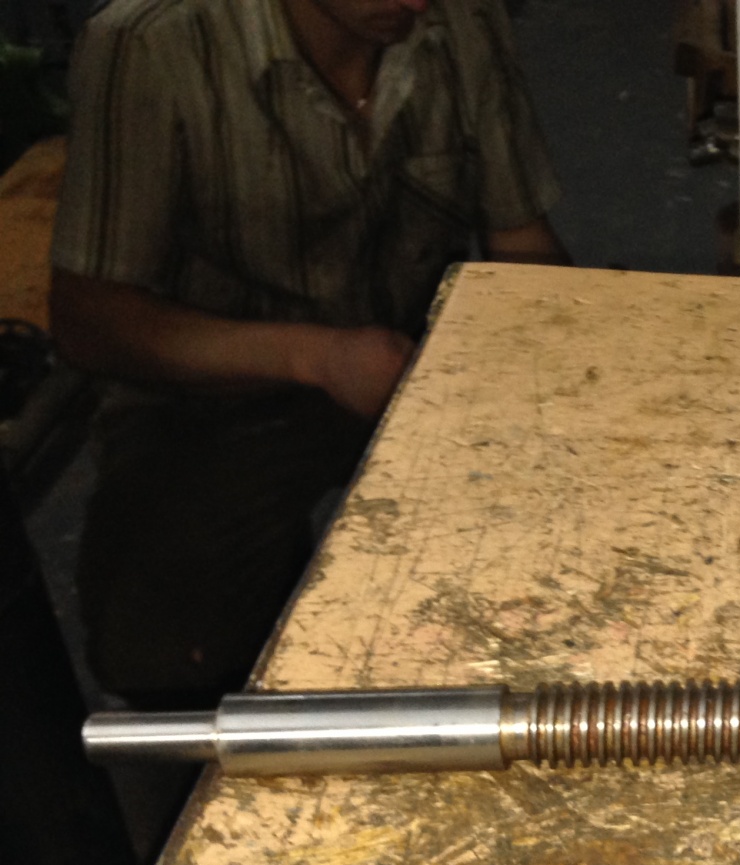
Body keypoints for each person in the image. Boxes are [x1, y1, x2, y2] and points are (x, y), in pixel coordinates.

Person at [51, 0, 567, 708]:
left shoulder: (460, 18)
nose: (419, 4)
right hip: (213, 395)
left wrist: (550, 373)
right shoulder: (152, 43)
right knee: (170, 654)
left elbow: (524, 246)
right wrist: (315, 357)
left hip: (424, 371)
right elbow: (90, 319)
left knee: (542, 590)